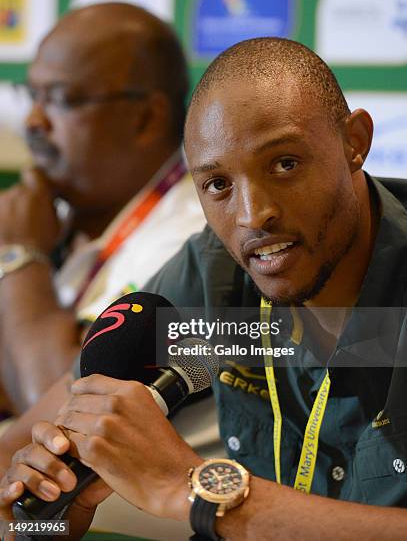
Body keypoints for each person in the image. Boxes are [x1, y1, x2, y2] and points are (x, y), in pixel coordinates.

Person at [1, 37, 407, 540]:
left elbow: (188, 491)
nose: (253, 214)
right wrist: (46, 523)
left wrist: (197, 491)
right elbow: (17, 449)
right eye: (218, 185)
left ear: (355, 142)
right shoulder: (215, 269)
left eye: (284, 164)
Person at [0, 2, 206, 416]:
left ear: (145, 118)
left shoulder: (189, 239)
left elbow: (61, 413)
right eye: (33, 95)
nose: (34, 121)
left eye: (59, 99)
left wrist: (21, 256)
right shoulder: (59, 216)